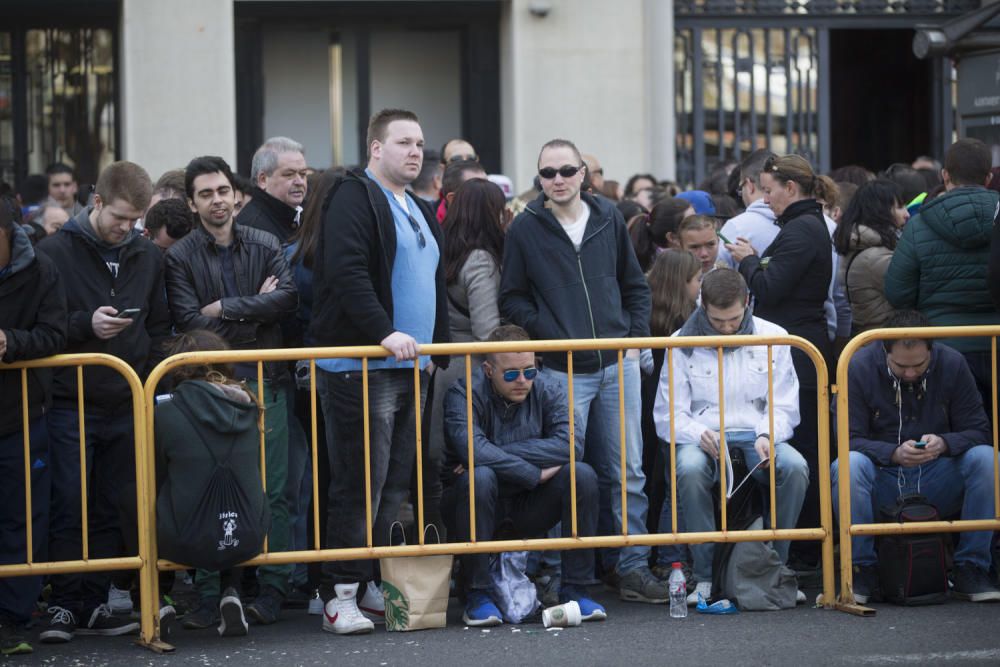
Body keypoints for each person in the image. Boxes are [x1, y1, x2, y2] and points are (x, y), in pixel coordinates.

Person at [500, 138, 664, 604]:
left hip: (616, 363)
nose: (556, 180)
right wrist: (550, 335)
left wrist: (630, 339)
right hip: (559, 368)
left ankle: (630, 566)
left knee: (626, 471)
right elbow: (511, 297)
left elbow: (635, 285)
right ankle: (552, 569)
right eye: (547, 174)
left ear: (583, 175)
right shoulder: (525, 228)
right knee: (558, 471)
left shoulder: (609, 215)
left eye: (566, 171)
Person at [309, 108, 450, 635]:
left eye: (419, 143)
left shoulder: (414, 203)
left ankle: (368, 580)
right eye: (403, 142)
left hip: (411, 367)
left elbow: (433, 279)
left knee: (393, 483)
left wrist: (440, 348)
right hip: (359, 364)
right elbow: (344, 271)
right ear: (375, 147)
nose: (415, 151)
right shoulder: (353, 195)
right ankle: (337, 593)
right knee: (358, 483)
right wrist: (382, 332)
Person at [36, 161, 171, 643]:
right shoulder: (52, 252)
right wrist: (83, 326)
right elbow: (44, 326)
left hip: (128, 396)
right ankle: (65, 603)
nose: (127, 228)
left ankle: (93, 602)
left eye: (135, 220)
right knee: (71, 502)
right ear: (95, 201)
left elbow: (158, 327)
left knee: (118, 503)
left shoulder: (147, 256)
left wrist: (153, 378)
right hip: (72, 399)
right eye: (119, 217)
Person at [165, 155, 298, 628]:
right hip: (208, 388)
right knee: (208, 490)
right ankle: (210, 595)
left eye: (222, 191)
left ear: (235, 194)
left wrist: (227, 308)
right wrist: (255, 309)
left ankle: (273, 590)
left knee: (273, 490)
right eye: (206, 194)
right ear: (192, 202)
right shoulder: (179, 256)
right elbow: (189, 323)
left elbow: (286, 299)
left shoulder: (265, 242)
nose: (217, 201)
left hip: (267, 380)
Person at [653, 268, 808, 604]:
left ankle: (774, 571)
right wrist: (698, 432)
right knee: (690, 469)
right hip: (704, 435)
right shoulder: (681, 342)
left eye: (734, 319)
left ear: (748, 303)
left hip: (757, 431)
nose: (726, 327)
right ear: (701, 305)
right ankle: (705, 576)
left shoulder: (774, 335)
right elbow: (668, 415)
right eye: (717, 320)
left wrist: (768, 433)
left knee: (795, 468)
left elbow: (784, 404)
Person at [832, 310, 1000, 603]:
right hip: (881, 475)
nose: (910, 372)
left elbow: (979, 429)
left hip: (936, 473)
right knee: (848, 465)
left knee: (988, 459)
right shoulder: (857, 364)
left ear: (932, 350)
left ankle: (971, 567)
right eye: (900, 365)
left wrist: (944, 443)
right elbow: (846, 438)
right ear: (884, 352)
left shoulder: (952, 362)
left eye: (919, 364)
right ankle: (862, 569)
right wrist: (893, 453)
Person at [441, 325, 605, 626]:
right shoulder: (462, 392)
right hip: (475, 502)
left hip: (527, 504)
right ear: (489, 369)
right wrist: (533, 473)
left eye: (529, 371)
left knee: (581, 474)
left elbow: (572, 445)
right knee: (480, 477)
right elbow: (471, 452)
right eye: (511, 374)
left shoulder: (548, 388)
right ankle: (479, 595)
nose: (522, 381)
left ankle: (576, 589)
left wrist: (492, 451)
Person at [726, 153, 832, 569]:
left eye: (768, 191)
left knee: (801, 451)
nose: (764, 200)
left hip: (801, 353)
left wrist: (748, 260)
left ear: (791, 188)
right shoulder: (803, 227)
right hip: (798, 347)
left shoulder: (802, 229)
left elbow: (769, 288)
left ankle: (804, 547)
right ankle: (802, 544)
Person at [154, 330, 267, 638]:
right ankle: (231, 590)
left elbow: (157, 473)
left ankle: (154, 599)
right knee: (244, 490)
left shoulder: (164, 410)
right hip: (249, 537)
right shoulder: (249, 405)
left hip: (184, 542)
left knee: (138, 492)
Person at [885, 138, 1000, 417]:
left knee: (959, 436)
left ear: (945, 175)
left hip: (944, 346)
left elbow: (897, 292)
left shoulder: (919, 225)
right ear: (988, 177)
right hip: (997, 341)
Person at [0, 200, 67, 656]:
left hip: (20, 414)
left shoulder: (41, 269)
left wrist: (10, 342)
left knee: (22, 518)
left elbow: (54, 335)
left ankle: (15, 613)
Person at [426, 177, 506, 539]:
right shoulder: (481, 261)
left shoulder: (442, 249)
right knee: (462, 464)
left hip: (439, 366)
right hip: (470, 371)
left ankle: (439, 541)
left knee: (438, 464)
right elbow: (488, 330)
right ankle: (462, 545)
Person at [643, 249, 700, 577]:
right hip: (676, 409)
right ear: (683, 283)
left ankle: (658, 555)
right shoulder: (687, 325)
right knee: (670, 485)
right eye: (696, 280)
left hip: (649, 404)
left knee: (655, 481)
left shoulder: (647, 314)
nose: (700, 286)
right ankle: (672, 559)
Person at [832, 179, 908, 334]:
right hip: (886, 341)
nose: (907, 214)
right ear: (881, 211)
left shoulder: (865, 247)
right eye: (900, 207)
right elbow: (911, 291)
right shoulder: (874, 256)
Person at [239, 137, 309, 244]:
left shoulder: (307, 214)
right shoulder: (252, 229)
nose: (300, 182)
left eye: (303, 174)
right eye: (289, 174)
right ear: (263, 180)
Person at [717, 149, 777, 268]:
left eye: (740, 188)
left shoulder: (737, 227)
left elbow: (717, 277)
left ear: (749, 185)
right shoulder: (817, 221)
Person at [627, 197, 694, 272]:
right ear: (672, 237)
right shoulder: (674, 270)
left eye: (697, 218)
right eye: (691, 225)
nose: (699, 225)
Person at [436, 159, 487, 223]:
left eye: (488, 186)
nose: (488, 194)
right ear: (453, 199)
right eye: (477, 190)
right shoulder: (431, 229)